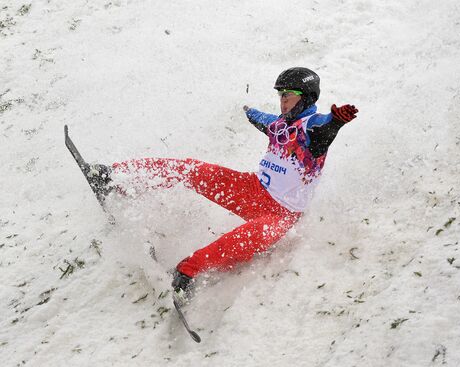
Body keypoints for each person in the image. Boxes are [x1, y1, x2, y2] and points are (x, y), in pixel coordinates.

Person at [87, 67, 358, 299]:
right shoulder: (279, 123)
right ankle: (116, 177)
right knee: (195, 170)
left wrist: (336, 120)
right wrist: (247, 110)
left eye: (287, 95)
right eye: (280, 95)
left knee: (243, 239)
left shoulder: (314, 126)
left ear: (305, 98)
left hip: (280, 215)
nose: (282, 101)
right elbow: (261, 119)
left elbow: (324, 130)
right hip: (253, 190)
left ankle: (187, 273)